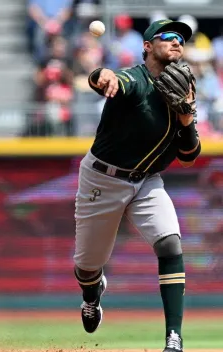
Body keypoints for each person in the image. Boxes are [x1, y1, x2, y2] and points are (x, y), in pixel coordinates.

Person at [74, 19, 200, 352]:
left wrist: (187, 119)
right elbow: (108, 80)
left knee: (170, 244)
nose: (177, 42)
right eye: (169, 37)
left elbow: (189, 157)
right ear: (147, 46)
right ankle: (92, 293)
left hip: (146, 182)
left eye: (181, 39)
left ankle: (174, 337)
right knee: (87, 267)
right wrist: (102, 76)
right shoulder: (136, 79)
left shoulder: (182, 87)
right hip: (103, 178)